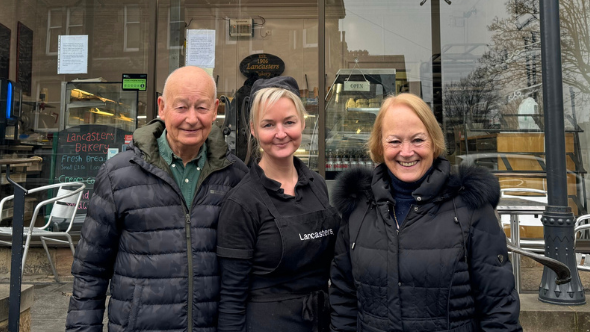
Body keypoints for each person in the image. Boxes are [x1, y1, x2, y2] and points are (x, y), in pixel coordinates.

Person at [65, 66, 248, 331]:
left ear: (216, 109)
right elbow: (90, 271)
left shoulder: (234, 175)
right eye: (181, 107)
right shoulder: (118, 175)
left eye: (202, 107)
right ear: (162, 107)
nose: (192, 119)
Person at [330, 93, 522, 332]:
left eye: (418, 140)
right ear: (380, 145)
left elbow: (498, 308)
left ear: (434, 142)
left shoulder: (470, 208)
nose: (407, 151)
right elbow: (344, 299)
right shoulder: (357, 208)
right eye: (394, 141)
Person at [217, 76, 340, 332]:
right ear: (253, 129)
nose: (280, 133)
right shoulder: (242, 202)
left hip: (321, 322)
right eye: (268, 124)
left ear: (303, 123)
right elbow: (231, 298)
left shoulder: (317, 185)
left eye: (289, 122)